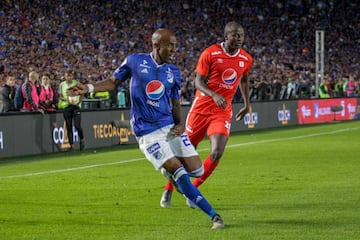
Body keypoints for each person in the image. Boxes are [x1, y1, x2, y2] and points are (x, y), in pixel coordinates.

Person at [67, 28, 224, 229]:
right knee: (179, 172)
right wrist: (88, 88)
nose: (175, 49)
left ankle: (172, 177)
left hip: (168, 126)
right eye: (171, 45)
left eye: (176, 45)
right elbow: (112, 82)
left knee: (197, 170)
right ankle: (214, 216)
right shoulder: (134, 61)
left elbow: (176, 103)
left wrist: (180, 124)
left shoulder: (173, 71)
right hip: (147, 133)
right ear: (157, 45)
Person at [161, 21, 253, 209]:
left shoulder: (246, 58)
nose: (239, 39)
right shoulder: (210, 53)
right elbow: (198, 82)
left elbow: (244, 79)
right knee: (185, 153)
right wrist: (214, 94)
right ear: (226, 36)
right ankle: (168, 189)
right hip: (201, 109)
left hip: (222, 111)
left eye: (241, 35)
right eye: (235, 35)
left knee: (217, 151)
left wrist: (246, 104)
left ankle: (193, 192)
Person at [58, 71, 85, 151]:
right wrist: (67, 99)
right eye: (67, 76)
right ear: (65, 76)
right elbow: (60, 96)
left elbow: (82, 93)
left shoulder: (77, 83)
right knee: (68, 126)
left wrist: (79, 102)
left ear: (72, 77)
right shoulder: (62, 85)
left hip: (76, 107)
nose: (69, 78)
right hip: (67, 106)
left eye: (70, 76)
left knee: (77, 125)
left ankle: (82, 139)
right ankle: (71, 145)